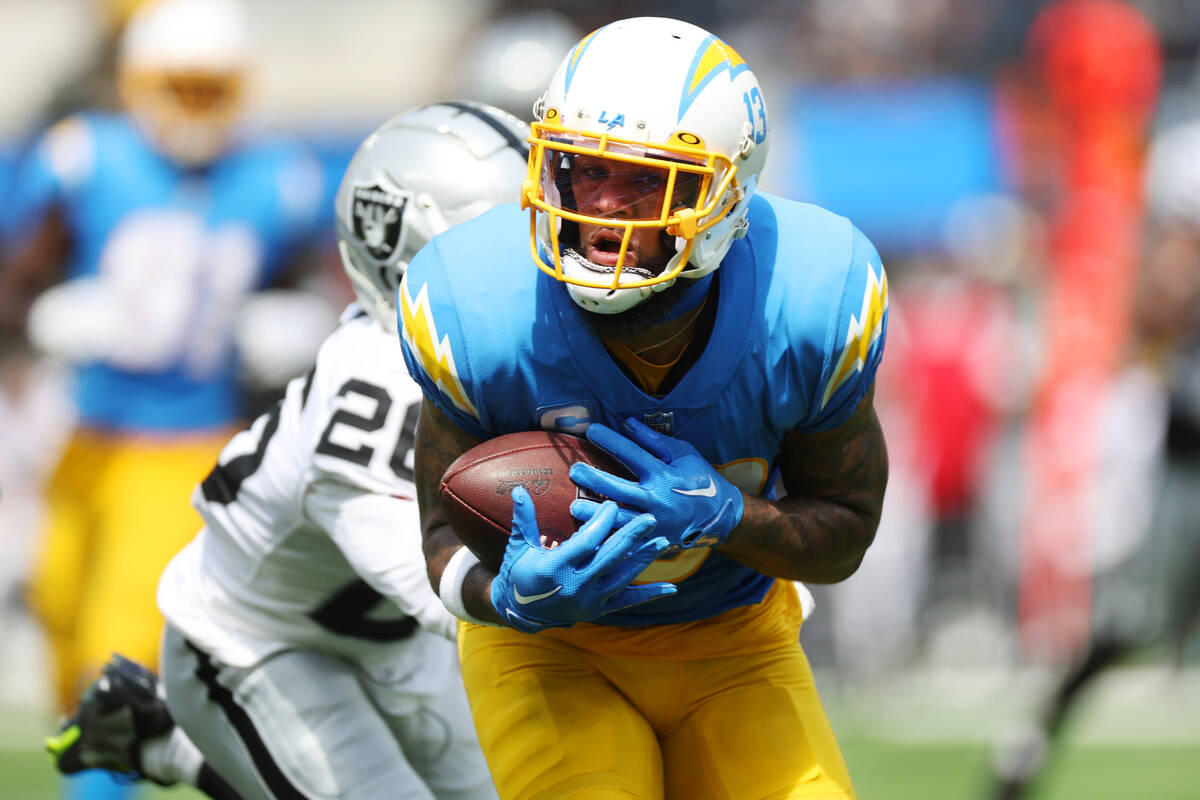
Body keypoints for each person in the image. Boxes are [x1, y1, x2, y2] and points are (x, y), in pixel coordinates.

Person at [399, 17, 890, 799]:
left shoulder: (811, 299)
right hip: (551, 652)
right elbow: (435, 533)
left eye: (645, 181)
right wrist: (508, 597)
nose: (602, 211)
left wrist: (731, 517)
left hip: (737, 641)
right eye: (583, 171)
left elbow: (845, 532)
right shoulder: (476, 304)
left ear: (724, 193)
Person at [44, 100, 532, 800]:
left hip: (385, 640)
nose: (542, 267)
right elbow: (445, 587)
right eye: (508, 246)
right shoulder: (377, 387)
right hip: (255, 643)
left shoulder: (485, 358)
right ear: (412, 251)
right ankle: (172, 741)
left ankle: (160, 737)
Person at [0, 2, 327, 783]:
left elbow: (319, 282)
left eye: (211, 90)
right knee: (58, 614)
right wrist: (41, 320)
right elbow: (17, 280)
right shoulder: (86, 158)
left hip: (190, 442)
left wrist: (299, 319)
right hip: (84, 433)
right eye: (179, 88)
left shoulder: (274, 177)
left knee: (118, 653)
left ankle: (105, 780)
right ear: (140, 84)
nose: (195, 109)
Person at [986, 117, 1200, 800]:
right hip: (1184, 468)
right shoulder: (1167, 268)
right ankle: (1034, 735)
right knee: (1128, 623)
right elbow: (1157, 318)